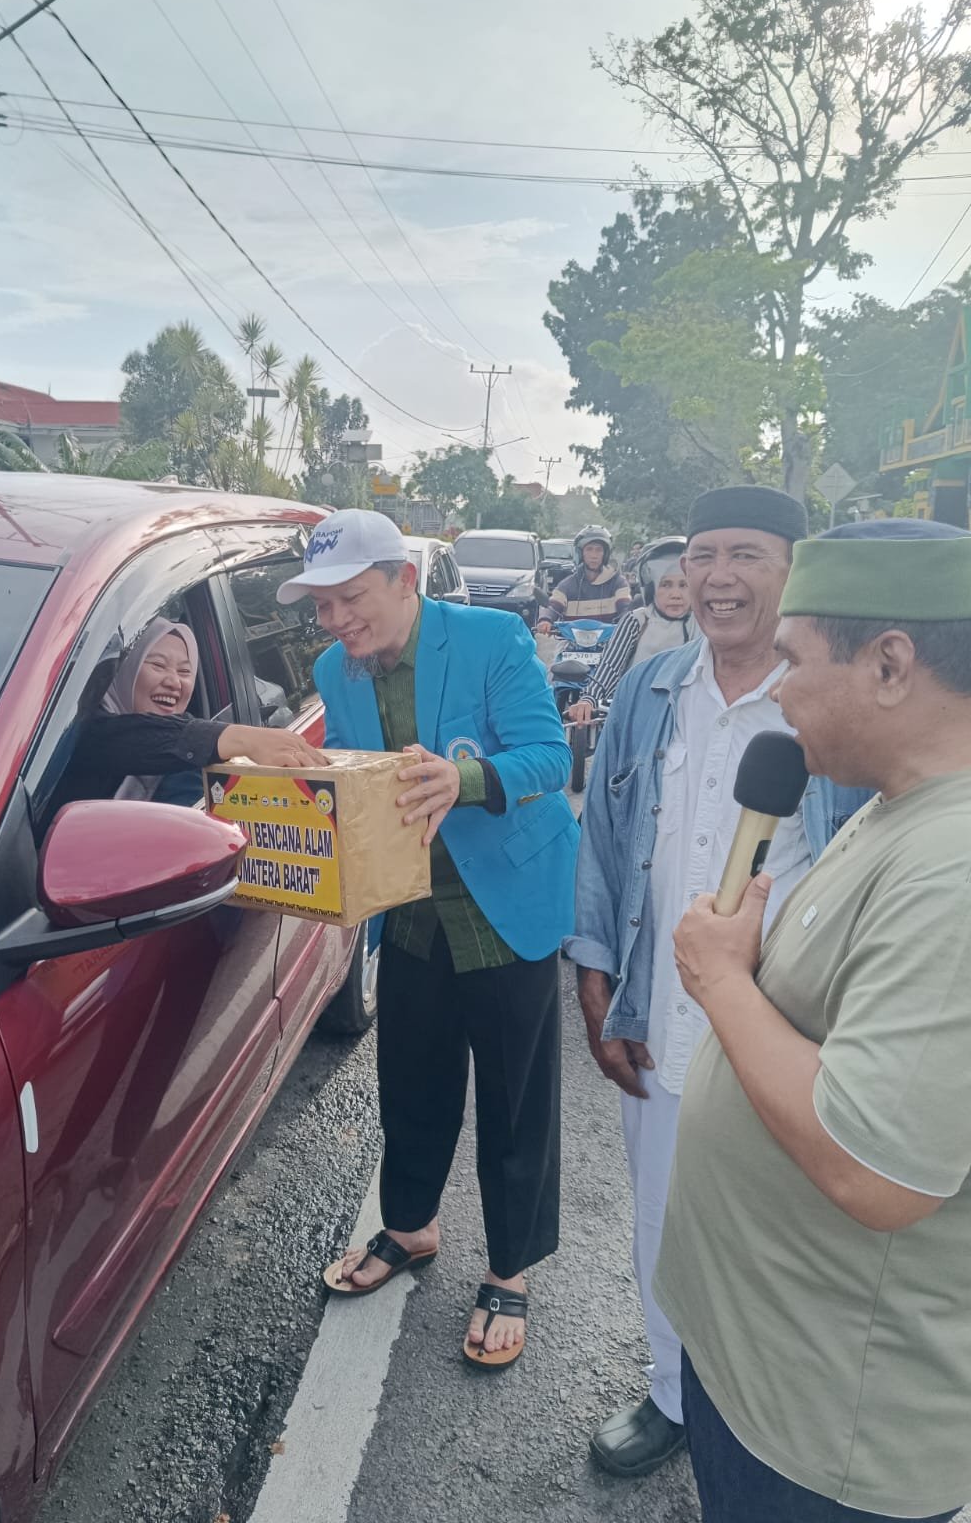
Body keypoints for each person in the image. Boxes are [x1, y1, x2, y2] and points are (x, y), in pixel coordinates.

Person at [660, 519, 971, 1523]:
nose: (776, 687)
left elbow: (875, 1168)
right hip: (767, 1374)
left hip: (831, 1436)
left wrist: (722, 983)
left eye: (794, 659)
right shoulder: (898, 804)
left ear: (890, 664)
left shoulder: (955, 870)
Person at [568, 485, 868, 1478]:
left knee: (787, 1239)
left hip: (789, 1029)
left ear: (794, 573)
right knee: (663, 1218)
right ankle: (671, 1396)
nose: (718, 579)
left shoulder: (836, 704)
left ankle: (775, 1420)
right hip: (664, 1013)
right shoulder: (652, 690)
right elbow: (606, 847)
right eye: (701, 557)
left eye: (745, 555)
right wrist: (598, 973)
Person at [277, 509, 579, 1369]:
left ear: (404, 582)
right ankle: (408, 1228)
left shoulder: (489, 638)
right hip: (410, 910)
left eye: (351, 599)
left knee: (515, 1103)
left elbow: (549, 758)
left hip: (504, 905)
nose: (336, 622)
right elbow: (350, 778)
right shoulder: (337, 670)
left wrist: (468, 776)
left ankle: (511, 1269)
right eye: (323, 607)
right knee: (411, 1080)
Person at [53, 616, 326, 812]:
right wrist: (239, 738)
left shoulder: (191, 761)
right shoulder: (72, 736)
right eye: (158, 665)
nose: (175, 682)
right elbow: (110, 738)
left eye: (185, 671)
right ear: (124, 671)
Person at [565, 537, 696, 725]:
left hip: (685, 722)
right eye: (665, 585)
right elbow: (610, 666)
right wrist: (589, 699)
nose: (675, 594)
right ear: (650, 588)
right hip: (635, 719)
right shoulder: (638, 620)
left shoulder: (702, 625)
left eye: (683, 585)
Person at [536, 525, 632, 631]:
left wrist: (627, 621)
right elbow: (553, 606)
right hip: (572, 643)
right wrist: (546, 620)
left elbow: (625, 607)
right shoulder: (567, 585)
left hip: (610, 644)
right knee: (558, 648)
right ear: (581, 553)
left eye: (599, 550)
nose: (594, 555)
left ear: (605, 554)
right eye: (589, 549)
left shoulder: (618, 583)